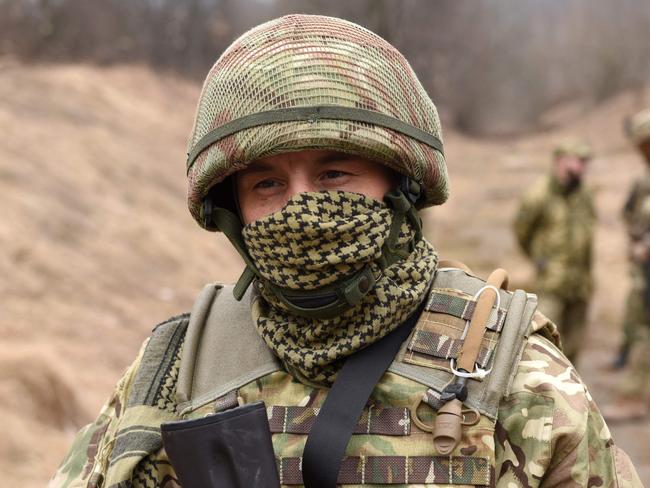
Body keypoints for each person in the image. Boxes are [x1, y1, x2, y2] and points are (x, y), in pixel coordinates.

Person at [49, 15, 641, 488]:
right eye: (266, 184)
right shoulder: (176, 372)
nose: (300, 207)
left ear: (400, 187)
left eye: (334, 173)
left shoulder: (514, 379)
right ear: (232, 212)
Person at [514, 141, 595, 365]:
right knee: (547, 343)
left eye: (584, 162)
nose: (581, 168)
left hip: (580, 282)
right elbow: (522, 231)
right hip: (552, 282)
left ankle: (571, 393)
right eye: (576, 161)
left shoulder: (584, 194)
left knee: (575, 346)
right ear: (560, 161)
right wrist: (539, 259)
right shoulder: (539, 194)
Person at [604, 108, 650, 421]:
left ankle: (634, 398)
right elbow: (630, 214)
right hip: (643, 270)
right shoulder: (643, 180)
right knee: (638, 321)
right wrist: (636, 240)